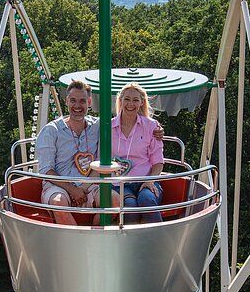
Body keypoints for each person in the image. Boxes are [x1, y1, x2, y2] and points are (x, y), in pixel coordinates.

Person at [34, 80, 108, 225]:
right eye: (73, 101)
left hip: (89, 183)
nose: (77, 106)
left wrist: (155, 129)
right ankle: (78, 245)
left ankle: (95, 238)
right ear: (67, 101)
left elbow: (124, 122)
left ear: (89, 102)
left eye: (82, 101)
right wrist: (72, 189)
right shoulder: (52, 131)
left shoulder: (97, 126)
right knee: (58, 203)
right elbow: (46, 170)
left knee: (114, 201)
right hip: (58, 185)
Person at [111, 83, 165, 224]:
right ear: (120, 101)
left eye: (135, 100)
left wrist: (150, 180)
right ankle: (130, 244)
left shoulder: (151, 126)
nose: (131, 104)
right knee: (130, 207)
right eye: (127, 99)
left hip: (145, 179)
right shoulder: (109, 127)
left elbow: (158, 162)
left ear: (141, 102)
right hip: (120, 183)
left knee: (146, 200)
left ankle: (162, 240)